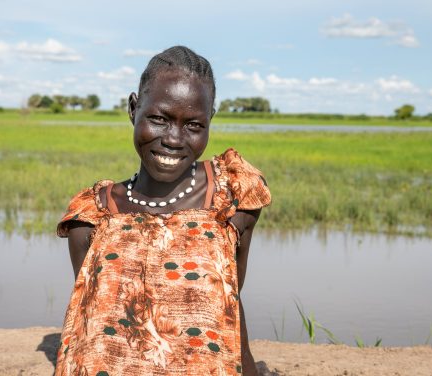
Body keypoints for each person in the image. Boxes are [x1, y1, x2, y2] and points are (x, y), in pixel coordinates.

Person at [55, 46, 271, 376]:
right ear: (132, 108)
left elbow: (231, 302)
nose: (173, 139)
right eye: (159, 119)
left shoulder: (232, 198)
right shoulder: (92, 216)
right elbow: (92, 324)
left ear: (210, 119)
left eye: (194, 125)